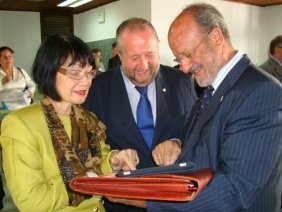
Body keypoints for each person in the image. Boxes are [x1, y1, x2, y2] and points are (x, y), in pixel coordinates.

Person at [109, 3, 282, 211]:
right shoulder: (211, 90)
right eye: (178, 59)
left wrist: (148, 199)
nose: (184, 67)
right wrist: (178, 144)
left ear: (216, 38)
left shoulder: (260, 91)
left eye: (188, 54)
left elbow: (236, 189)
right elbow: (205, 146)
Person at [0, 34, 139, 212]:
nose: (86, 81)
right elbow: (32, 202)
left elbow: (98, 165)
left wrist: (113, 160)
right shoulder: (20, 124)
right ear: (48, 71)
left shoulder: (87, 118)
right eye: (74, 72)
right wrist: (87, 184)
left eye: (89, 72)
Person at [83, 17, 196, 211]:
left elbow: (198, 132)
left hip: (174, 200)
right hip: (122, 203)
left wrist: (178, 142)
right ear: (119, 54)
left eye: (150, 55)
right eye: (134, 58)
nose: (144, 65)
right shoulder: (96, 90)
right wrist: (114, 157)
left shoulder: (181, 82)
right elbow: (86, 148)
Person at [0, 46, 36, 111]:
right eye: (5, 57)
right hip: (4, 108)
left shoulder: (20, 71)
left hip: (23, 106)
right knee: (8, 121)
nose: (8, 59)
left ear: (13, 58)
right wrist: (2, 83)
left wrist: (30, 93)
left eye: (10, 56)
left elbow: (31, 85)